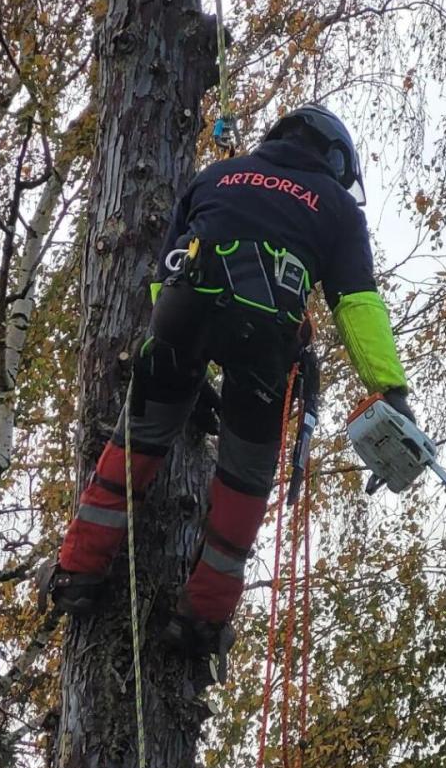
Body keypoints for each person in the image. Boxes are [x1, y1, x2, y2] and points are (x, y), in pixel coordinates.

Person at [40, 103, 412, 667]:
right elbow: (356, 303)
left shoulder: (215, 175)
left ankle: (77, 573)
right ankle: (201, 619)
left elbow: (165, 271)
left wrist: (180, 363)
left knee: (136, 441)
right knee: (244, 480)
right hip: (263, 341)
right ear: (335, 161)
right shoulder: (336, 207)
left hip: (180, 313)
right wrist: (390, 390)